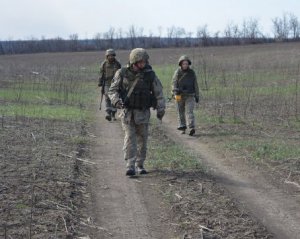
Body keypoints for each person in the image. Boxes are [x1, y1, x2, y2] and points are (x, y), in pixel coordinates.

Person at [108, 48, 165, 176]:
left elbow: (159, 93)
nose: (143, 64)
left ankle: (140, 164)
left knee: (142, 139)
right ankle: (130, 165)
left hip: (143, 113)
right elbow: (112, 91)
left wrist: (161, 109)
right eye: (140, 62)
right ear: (134, 61)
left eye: (144, 61)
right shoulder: (122, 73)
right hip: (127, 112)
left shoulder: (150, 75)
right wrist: (116, 101)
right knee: (130, 138)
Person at [172, 55, 200, 136]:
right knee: (180, 111)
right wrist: (174, 91)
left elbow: (195, 85)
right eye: (183, 64)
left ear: (188, 64)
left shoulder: (192, 73)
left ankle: (191, 128)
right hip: (179, 95)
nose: (185, 65)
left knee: (189, 111)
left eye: (186, 64)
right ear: (180, 64)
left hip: (190, 95)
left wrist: (197, 95)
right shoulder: (177, 72)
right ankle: (182, 127)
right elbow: (174, 83)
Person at [98, 49, 121, 121]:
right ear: (107, 56)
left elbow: (121, 73)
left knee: (114, 98)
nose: (111, 57)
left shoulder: (117, 64)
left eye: (112, 56)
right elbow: (101, 74)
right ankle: (108, 113)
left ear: (114, 56)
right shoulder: (104, 64)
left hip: (116, 83)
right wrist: (100, 82)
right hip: (107, 83)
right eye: (109, 56)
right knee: (107, 97)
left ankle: (113, 114)